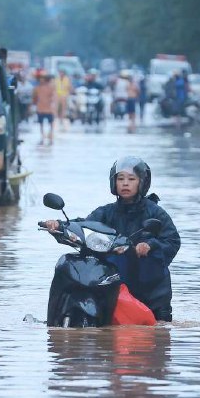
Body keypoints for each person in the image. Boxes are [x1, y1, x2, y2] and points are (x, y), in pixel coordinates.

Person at [42, 156, 181, 321]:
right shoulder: (106, 212)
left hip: (150, 286)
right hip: (112, 281)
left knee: (157, 334)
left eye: (131, 179)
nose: (125, 183)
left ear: (142, 182)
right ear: (113, 182)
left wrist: (150, 245)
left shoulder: (156, 213)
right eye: (120, 178)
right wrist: (59, 225)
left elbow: (172, 241)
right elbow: (86, 225)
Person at [32, 74, 56, 145]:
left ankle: (50, 134)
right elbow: (34, 98)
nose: (41, 80)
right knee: (41, 123)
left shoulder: (51, 88)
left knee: (50, 123)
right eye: (40, 79)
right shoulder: (37, 88)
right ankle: (42, 135)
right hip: (40, 108)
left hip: (49, 109)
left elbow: (54, 97)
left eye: (43, 79)